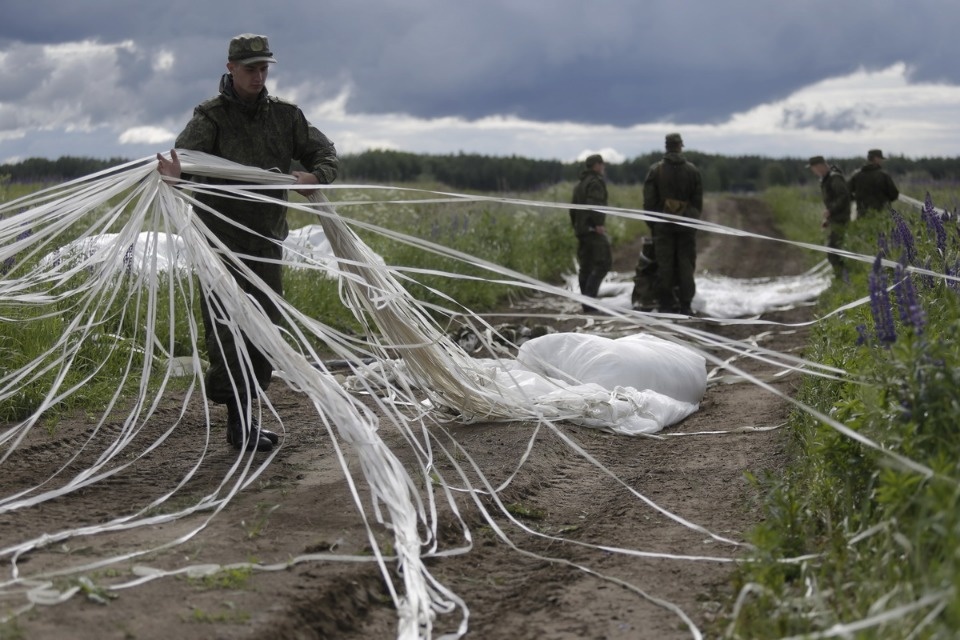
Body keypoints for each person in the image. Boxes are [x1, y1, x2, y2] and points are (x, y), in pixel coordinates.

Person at [157, 34, 339, 452]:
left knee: (263, 329)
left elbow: (324, 154)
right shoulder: (210, 117)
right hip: (219, 245)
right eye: (250, 68)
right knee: (226, 330)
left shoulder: (286, 117)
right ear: (231, 68)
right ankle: (238, 424)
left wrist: (316, 177)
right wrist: (174, 177)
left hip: (266, 242)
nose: (258, 76)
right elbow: (185, 164)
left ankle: (248, 417)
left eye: (264, 69)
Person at [643, 133, 703, 315]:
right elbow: (697, 201)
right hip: (686, 226)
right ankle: (685, 304)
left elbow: (649, 202)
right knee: (686, 263)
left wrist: (653, 224)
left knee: (664, 265)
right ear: (680, 146)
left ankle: (666, 304)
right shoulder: (692, 171)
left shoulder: (656, 170)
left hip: (663, 226)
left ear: (667, 146)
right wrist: (689, 219)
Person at [569, 153, 612, 312]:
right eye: (602, 164)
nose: (603, 167)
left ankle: (586, 302)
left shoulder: (580, 184)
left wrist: (577, 226)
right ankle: (590, 300)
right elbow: (595, 204)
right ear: (596, 165)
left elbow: (572, 210)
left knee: (585, 266)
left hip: (582, 230)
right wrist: (598, 223)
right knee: (604, 262)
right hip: (593, 230)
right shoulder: (595, 183)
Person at [807, 155, 851, 276]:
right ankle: (843, 277)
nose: (813, 171)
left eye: (813, 168)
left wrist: (831, 210)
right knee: (834, 250)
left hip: (841, 220)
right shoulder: (827, 179)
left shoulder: (834, 178)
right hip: (835, 219)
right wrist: (827, 218)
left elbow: (844, 196)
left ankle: (843, 278)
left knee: (833, 251)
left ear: (819, 166)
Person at [848, 149, 899, 218]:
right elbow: (894, 194)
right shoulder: (883, 176)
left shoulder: (857, 175)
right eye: (880, 159)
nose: (881, 161)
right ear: (876, 159)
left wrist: (856, 199)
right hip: (881, 215)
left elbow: (846, 191)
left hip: (862, 215)